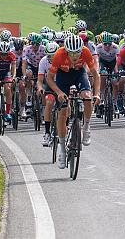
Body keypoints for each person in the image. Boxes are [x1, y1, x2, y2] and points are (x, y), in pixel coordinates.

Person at [46, 34, 101, 169]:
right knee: (63, 111)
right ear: (66, 51)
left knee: (87, 97)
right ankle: (63, 151)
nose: (75, 56)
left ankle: (86, 127)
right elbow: (49, 78)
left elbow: (96, 74)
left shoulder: (86, 52)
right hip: (63, 77)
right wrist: (59, 92)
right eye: (71, 53)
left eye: (77, 53)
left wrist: (97, 94)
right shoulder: (59, 55)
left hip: (78, 74)